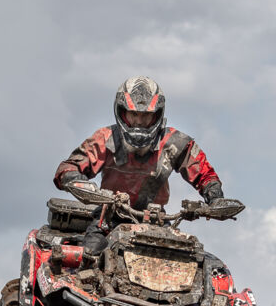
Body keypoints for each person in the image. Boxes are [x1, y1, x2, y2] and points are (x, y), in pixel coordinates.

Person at [54, 76, 225, 215]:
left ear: (156, 115)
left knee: (191, 249)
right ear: (122, 112)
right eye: (134, 114)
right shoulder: (106, 139)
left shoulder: (174, 142)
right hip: (108, 217)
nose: (139, 121)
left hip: (155, 221)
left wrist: (215, 195)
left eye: (146, 115)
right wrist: (76, 180)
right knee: (92, 246)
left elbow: (204, 173)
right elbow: (69, 167)